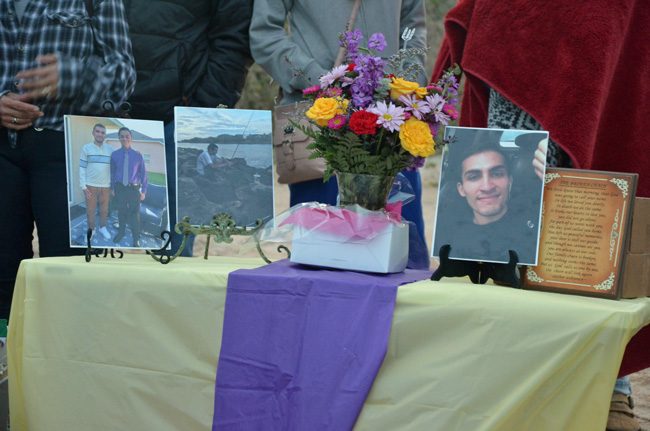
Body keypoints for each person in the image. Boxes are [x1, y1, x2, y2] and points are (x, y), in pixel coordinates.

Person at [431, 2, 649, 429]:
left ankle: (609, 385)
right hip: (519, 38)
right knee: (505, 222)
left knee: (590, 230)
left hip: (600, 43)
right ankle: (506, 378)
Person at [249, 0, 430, 255]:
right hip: (321, 122)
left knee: (403, 257)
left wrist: (407, 80)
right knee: (323, 255)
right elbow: (265, 34)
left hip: (391, 125)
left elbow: (414, 25)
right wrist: (317, 78)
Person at [0, 0, 136, 319]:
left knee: (71, 280)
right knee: (3, 278)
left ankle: (66, 362)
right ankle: (9, 362)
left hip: (66, 151)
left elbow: (124, 75)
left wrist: (72, 76)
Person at [123, 0, 253, 255]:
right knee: (95, 263)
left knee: (171, 261)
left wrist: (202, 107)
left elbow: (233, 39)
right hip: (100, 113)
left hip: (177, 120)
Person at [434, 130, 544, 265]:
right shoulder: (447, 239)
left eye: (497, 174)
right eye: (474, 177)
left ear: (510, 180)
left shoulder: (534, 232)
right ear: (461, 189)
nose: (487, 187)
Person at [110, 127, 147, 247]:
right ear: (119, 138)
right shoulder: (114, 155)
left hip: (133, 189)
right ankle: (121, 233)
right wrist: (112, 188)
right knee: (121, 212)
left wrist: (144, 191)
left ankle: (136, 238)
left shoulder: (138, 155)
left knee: (135, 215)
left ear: (131, 138)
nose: (124, 138)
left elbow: (144, 174)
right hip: (120, 188)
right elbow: (112, 173)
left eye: (127, 136)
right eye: (122, 136)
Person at [79, 123, 113, 240]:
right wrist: (83, 186)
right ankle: (91, 230)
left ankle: (103, 227)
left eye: (103, 132)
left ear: (105, 135)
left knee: (104, 210)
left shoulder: (110, 150)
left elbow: (114, 168)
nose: (100, 134)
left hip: (106, 186)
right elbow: (82, 167)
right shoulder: (86, 148)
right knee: (90, 211)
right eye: (97, 131)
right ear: (93, 133)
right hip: (90, 186)